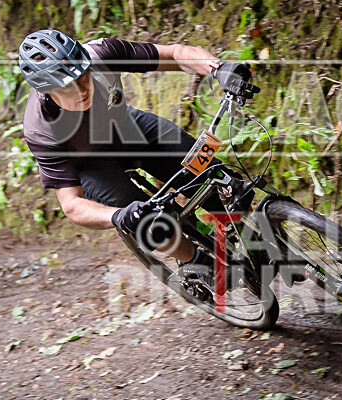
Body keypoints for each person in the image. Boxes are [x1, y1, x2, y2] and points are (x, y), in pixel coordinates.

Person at [18, 29, 258, 280]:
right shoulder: (41, 129)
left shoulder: (102, 54)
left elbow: (175, 55)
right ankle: (193, 261)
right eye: (67, 87)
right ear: (46, 90)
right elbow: (71, 205)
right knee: (147, 222)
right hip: (91, 165)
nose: (82, 89)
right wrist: (117, 216)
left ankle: (247, 232)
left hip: (126, 128)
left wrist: (218, 68)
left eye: (83, 75)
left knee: (214, 176)